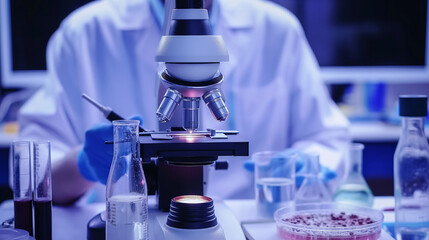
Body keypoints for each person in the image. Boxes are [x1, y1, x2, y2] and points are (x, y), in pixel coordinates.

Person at [17, 0, 350, 205]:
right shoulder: (86, 34)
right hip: (124, 218)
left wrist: (308, 164)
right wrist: (82, 165)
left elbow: (329, 139)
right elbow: (31, 174)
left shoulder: (277, 30)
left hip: (249, 216)